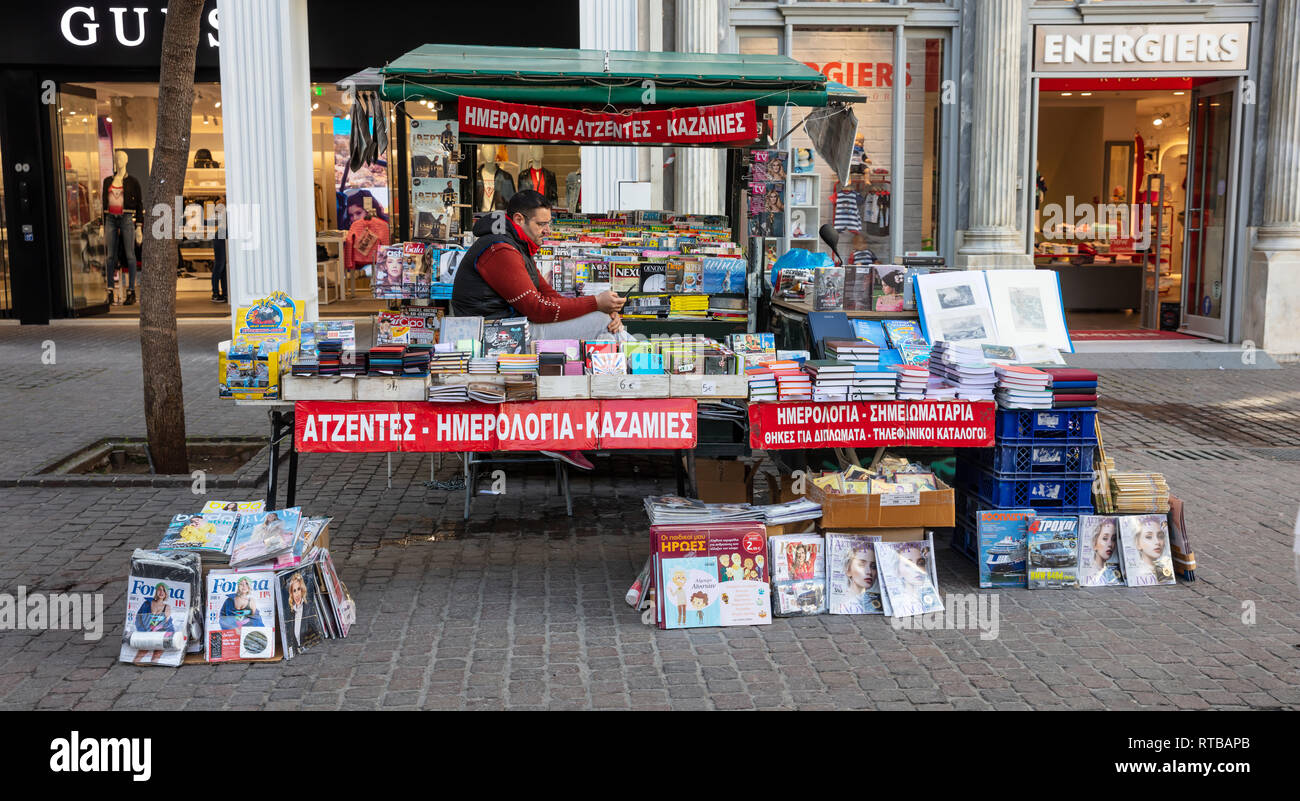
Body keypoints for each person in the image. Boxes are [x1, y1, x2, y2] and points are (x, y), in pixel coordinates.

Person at [452, 190, 626, 470]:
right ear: (518, 219)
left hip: (509, 331)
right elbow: (536, 309)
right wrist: (596, 304)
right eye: (541, 224)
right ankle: (588, 417)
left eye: (549, 224)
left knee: (601, 321)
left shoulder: (515, 245)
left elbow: (550, 297)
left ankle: (574, 421)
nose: (548, 230)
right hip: (496, 338)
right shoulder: (500, 249)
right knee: (598, 323)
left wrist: (604, 308)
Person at [835, 545, 878, 614]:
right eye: (861, 564)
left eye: (873, 566)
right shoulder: (842, 605)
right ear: (848, 570)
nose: (869, 571)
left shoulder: (874, 603)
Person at [1083, 518, 1123, 586]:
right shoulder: (1088, 573)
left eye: (1113, 539)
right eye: (1105, 538)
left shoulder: (1112, 573)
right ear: (1094, 543)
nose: (1110, 544)